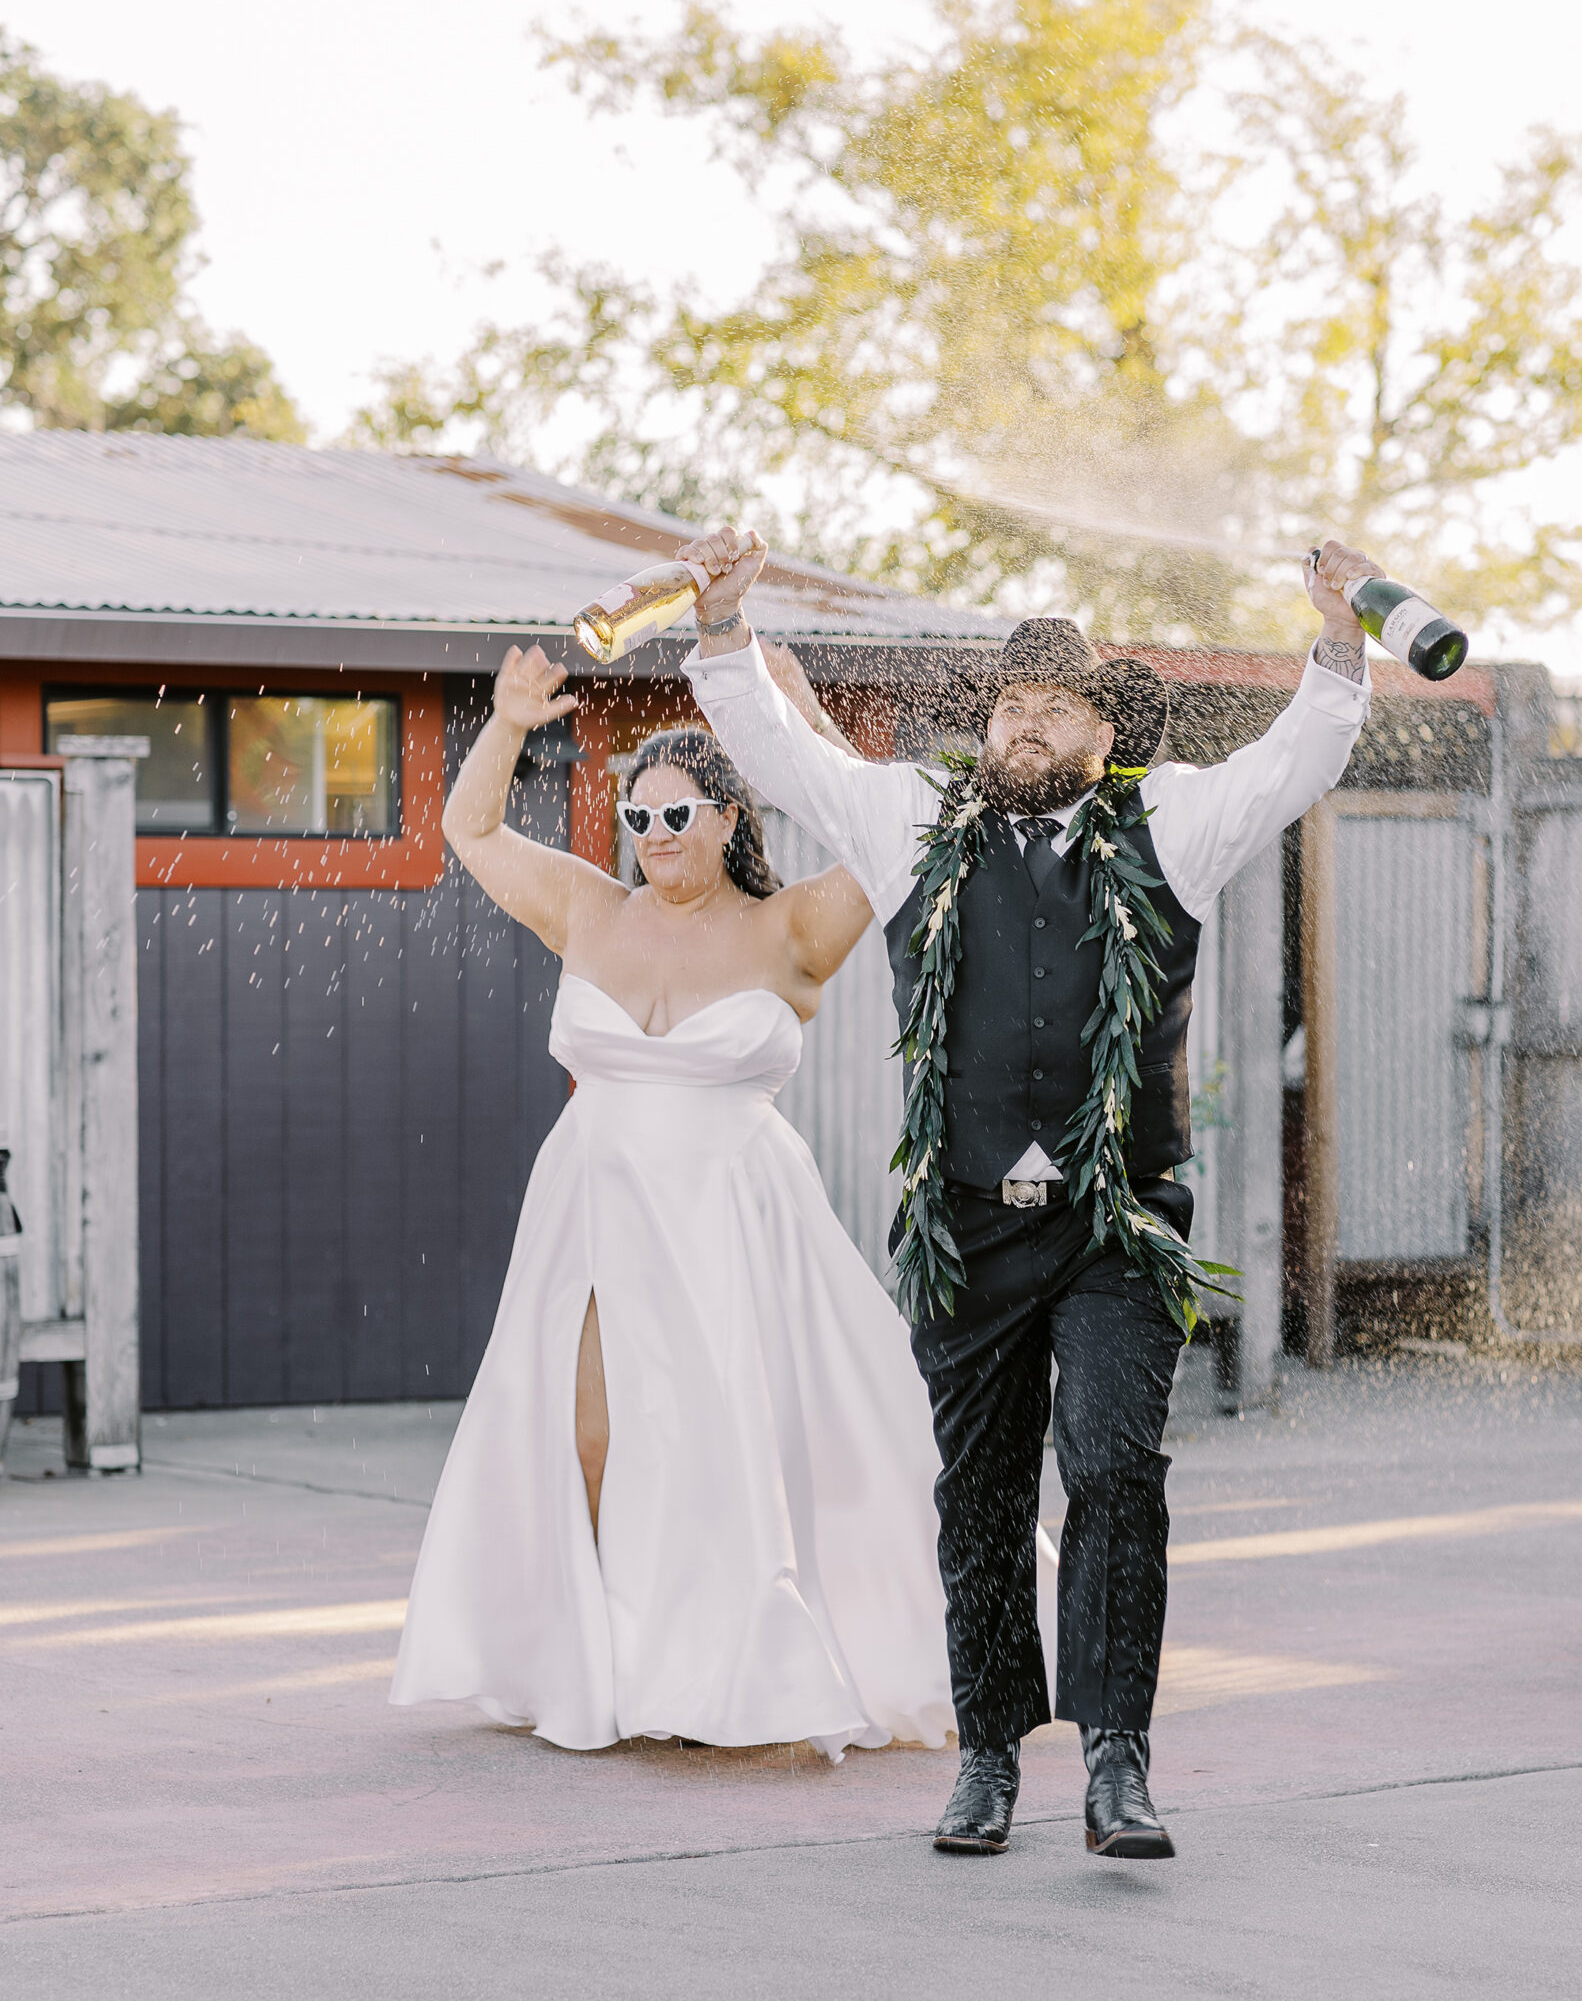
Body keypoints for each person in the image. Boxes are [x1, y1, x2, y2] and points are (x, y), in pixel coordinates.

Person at [681, 531, 1377, 1858]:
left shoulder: (1170, 818)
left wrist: (1337, 639)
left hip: (1120, 1227)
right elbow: (787, 757)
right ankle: (987, 1760)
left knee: (1117, 1473)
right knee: (981, 1492)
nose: (1025, 721)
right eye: (1009, 702)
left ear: (1104, 730)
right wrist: (722, 630)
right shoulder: (906, 824)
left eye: (1055, 704)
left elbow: (1295, 759)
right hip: (966, 1229)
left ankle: (1117, 1762)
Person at [391, 641, 953, 1759]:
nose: (654, 838)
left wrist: (800, 721)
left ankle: (728, 1672)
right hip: (592, 1202)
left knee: (724, 1440)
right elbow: (472, 832)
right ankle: (605, 1668)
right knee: (589, 1434)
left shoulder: (789, 926)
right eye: (638, 819)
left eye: (678, 815)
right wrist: (506, 724)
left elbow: (898, 839)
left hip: (729, 1213)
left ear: (731, 817)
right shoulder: (588, 908)